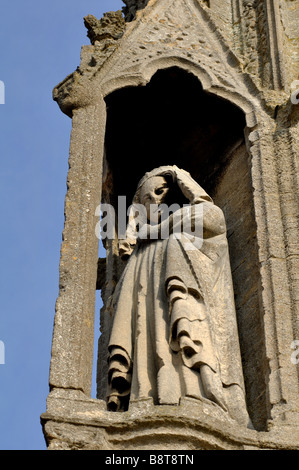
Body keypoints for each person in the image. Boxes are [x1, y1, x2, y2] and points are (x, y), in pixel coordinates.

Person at [106, 165, 252, 428]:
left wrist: (182, 178)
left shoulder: (187, 230)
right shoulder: (138, 257)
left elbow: (213, 217)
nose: (161, 198)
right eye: (155, 193)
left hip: (194, 342)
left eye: (167, 192)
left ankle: (198, 396)